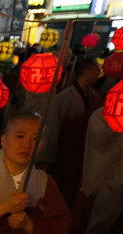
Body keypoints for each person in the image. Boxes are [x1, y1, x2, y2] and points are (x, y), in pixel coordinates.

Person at [36, 59, 101, 206]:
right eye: (96, 70)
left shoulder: (93, 97)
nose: (98, 73)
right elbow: (53, 128)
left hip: (82, 155)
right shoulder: (64, 97)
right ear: (85, 71)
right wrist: (47, 158)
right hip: (64, 155)